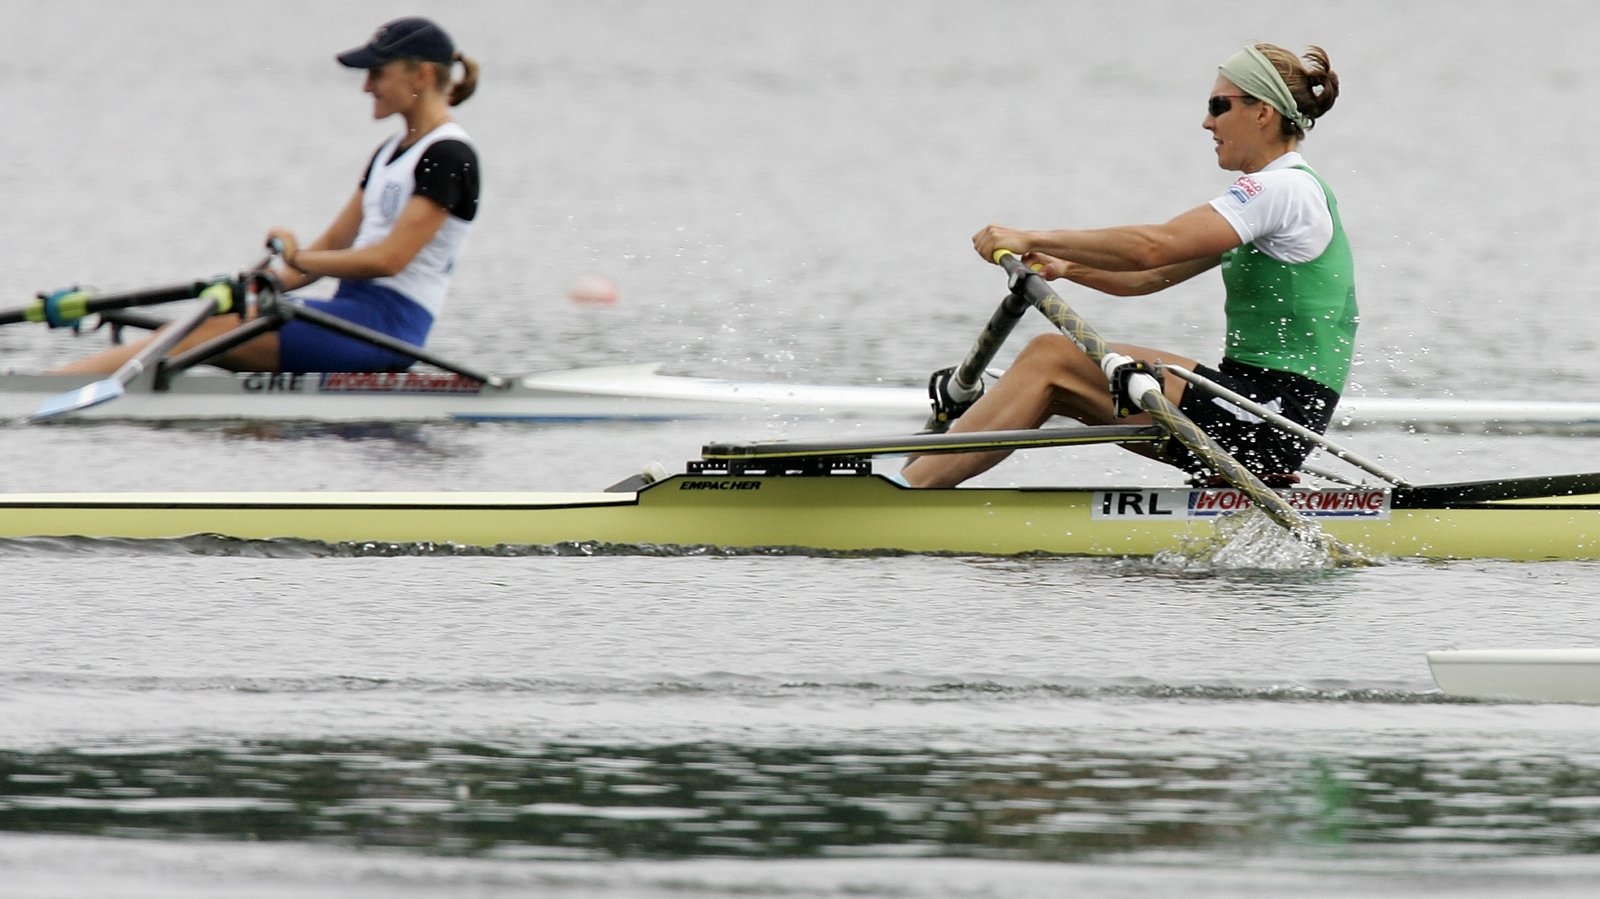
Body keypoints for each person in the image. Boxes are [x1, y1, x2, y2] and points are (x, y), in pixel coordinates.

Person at [902, 43, 1353, 489]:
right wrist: (1066, 266)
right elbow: (1148, 276)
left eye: (1219, 105)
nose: (1207, 121)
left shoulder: (1282, 191)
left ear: (1263, 113)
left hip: (1273, 416)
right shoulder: (1275, 197)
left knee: (1050, 357)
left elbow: (1152, 248)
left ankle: (906, 492)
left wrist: (1032, 237)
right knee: (1056, 377)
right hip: (1249, 405)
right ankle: (916, 483)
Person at [55, 17, 482, 375]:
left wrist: (297, 260)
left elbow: (390, 260)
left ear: (422, 77)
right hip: (352, 316)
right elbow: (334, 245)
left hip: (389, 329)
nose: (366, 87)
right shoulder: (390, 151)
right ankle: (68, 382)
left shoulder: (448, 155)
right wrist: (262, 285)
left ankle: (51, 384)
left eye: (377, 73)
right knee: (213, 319)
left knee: (212, 330)